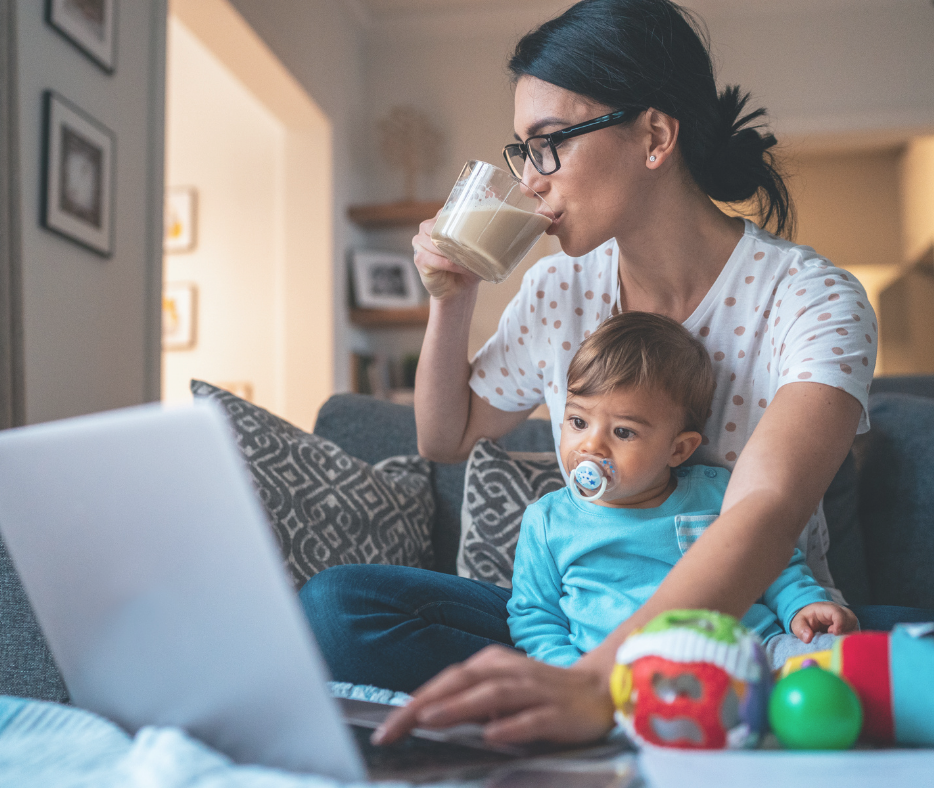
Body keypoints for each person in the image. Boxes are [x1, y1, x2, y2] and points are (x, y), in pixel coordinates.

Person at [301, 0, 933, 748]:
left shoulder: (812, 300)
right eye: (523, 151)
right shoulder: (556, 290)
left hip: (755, 630)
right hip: (581, 633)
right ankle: (598, 702)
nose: (532, 180)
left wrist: (601, 682)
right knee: (340, 606)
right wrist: (452, 299)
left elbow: (762, 510)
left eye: (548, 145)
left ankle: (615, 705)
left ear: (655, 136)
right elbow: (446, 437)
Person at [507, 311, 858, 671]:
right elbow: (536, 618)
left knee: (837, 661)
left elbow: (772, 565)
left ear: (679, 450)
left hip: (752, 654)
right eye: (578, 422)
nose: (591, 445)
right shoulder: (547, 522)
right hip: (622, 678)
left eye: (623, 432)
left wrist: (803, 605)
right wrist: (570, 678)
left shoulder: (719, 493)